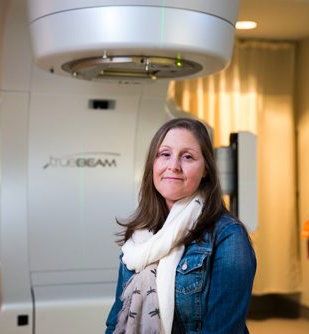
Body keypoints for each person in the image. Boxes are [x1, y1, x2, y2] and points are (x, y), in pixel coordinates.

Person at [105, 118, 256, 334]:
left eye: (187, 157)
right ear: (153, 164)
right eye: (164, 154)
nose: (173, 166)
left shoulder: (228, 237)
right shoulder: (139, 237)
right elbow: (116, 321)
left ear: (205, 169)